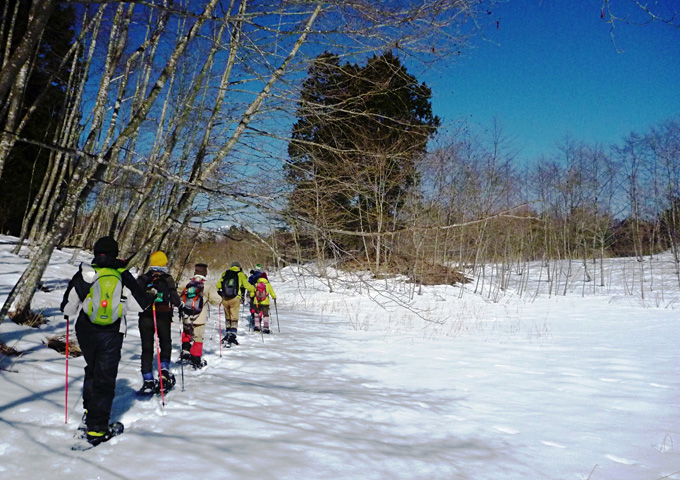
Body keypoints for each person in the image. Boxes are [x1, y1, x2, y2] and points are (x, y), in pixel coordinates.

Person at [60, 236, 148, 445]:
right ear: (115, 253)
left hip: (86, 330)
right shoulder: (122, 274)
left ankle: (90, 411)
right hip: (112, 331)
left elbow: (68, 308)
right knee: (105, 377)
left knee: (92, 368)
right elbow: (139, 305)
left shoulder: (86, 272)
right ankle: (97, 429)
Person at [136, 251, 182, 394]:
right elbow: (174, 296)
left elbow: (136, 295)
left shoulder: (143, 278)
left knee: (147, 347)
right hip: (162, 316)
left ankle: (148, 379)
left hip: (145, 316)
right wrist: (180, 306)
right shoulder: (168, 278)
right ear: (164, 263)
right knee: (165, 344)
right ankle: (164, 372)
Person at [216, 261, 254, 346]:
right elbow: (247, 285)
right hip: (235, 298)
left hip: (225, 298)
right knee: (234, 316)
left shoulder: (225, 274)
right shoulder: (240, 274)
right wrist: (254, 289)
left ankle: (228, 332)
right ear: (239, 267)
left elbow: (218, 285)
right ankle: (232, 334)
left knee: (228, 316)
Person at [180, 263, 208, 369]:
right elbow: (216, 300)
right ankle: (195, 358)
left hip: (186, 315)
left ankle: (185, 352)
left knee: (186, 333)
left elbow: (178, 293)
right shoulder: (207, 286)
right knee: (198, 337)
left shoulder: (186, 283)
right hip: (199, 317)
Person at [246, 264, 263, 330]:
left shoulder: (252, 276)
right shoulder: (263, 276)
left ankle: (253, 316)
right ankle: (260, 316)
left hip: (253, 292)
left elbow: (248, 284)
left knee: (253, 304)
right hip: (261, 294)